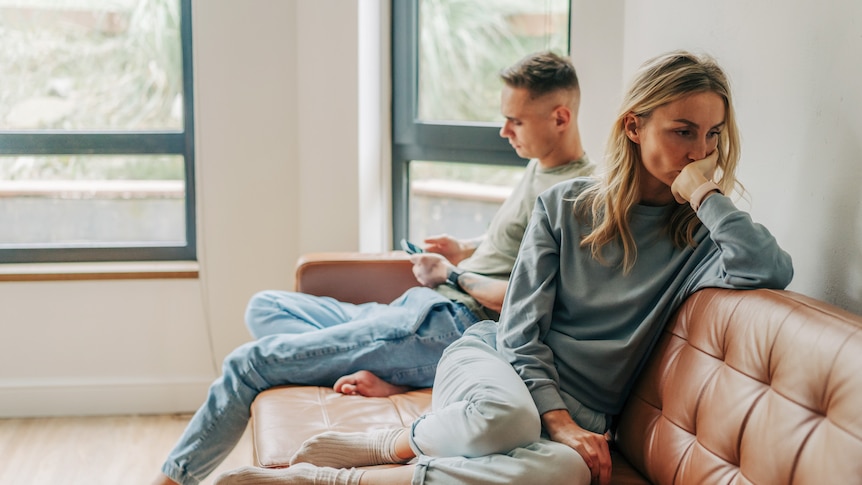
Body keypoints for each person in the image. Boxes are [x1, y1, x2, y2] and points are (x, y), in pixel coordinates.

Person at [213, 50, 794, 485]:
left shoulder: (699, 236)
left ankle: (330, 478)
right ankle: (397, 440)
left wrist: (709, 198)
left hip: (581, 412)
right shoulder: (565, 206)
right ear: (634, 127)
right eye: (682, 132)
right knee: (507, 421)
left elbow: (770, 269)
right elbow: (518, 330)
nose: (700, 152)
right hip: (496, 364)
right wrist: (559, 420)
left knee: (562, 475)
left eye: (713, 135)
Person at [152, 51, 596, 485]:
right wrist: (464, 247)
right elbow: (516, 245)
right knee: (264, 307)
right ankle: (378, 364)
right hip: (420, 308)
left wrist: (452, 274)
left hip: (451, 323)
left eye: (515, 121)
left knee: (249, 363)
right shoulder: (541, 165)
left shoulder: (577, 197)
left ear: (560, 118)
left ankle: (170, 480)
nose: (503, 131)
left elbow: (534, 300)